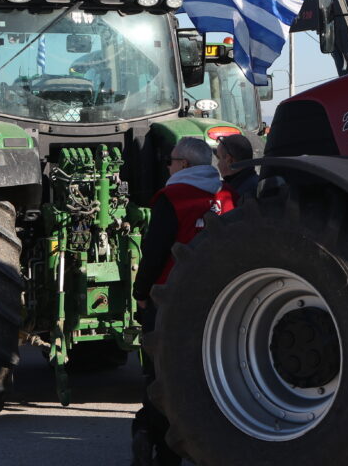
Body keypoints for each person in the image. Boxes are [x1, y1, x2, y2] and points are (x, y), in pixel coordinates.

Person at [131, 136, 227, 466]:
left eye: (170, 161)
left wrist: (141, 293)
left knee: (160, 378)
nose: (168, 166)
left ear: (183, 165)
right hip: (221, 300)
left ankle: (160, 449)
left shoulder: (172, 197)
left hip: (170, 300)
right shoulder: (226, 196)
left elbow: (155, 251)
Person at [216, 133, 260, 200]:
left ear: (229, 160)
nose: (217, 164)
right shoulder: (258, 183)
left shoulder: (236, 195)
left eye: (219, 158)